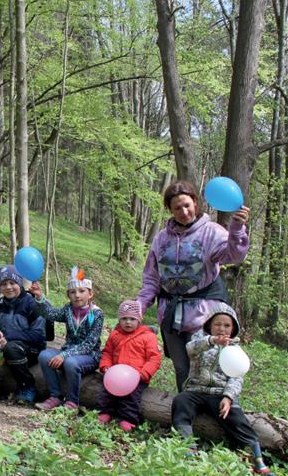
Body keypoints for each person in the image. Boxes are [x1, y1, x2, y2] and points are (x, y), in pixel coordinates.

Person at [136, 180, 250, 392]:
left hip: (203, 315)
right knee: (181, 367)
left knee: (204, 368)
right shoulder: (161, 239)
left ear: (196, 203)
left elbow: (232, 256)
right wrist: (140, 306)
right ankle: (185, 411)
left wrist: (236, 230)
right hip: (170, 314)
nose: (183, 211)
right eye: (177, 208)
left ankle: (209, 412)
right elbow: (152, 278)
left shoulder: (212, 233)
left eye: (187, 205)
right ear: (170, 210)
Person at [171, 303, 271, 474]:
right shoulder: (200, 340)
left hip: (219, 394)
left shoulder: (235, 350)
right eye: (217, 324)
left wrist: (229, 397)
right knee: (180, 402)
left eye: (227, 325)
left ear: (233, 329)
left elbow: (236, 377)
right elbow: (190, 350)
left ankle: (257, 458)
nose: (222, 329)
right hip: (195, 391)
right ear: (209, 324)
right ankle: (188, 446)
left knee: (237, 419)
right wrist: (212, 341)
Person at [31, 267, 104, 411]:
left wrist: (64, 355)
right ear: (68, 295)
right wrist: (40, 297)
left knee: (71, 362)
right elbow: (50, 314)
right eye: (73, 292)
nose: (77, 295)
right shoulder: (68, 310)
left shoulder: (96, 314)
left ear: (90, 294)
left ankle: (72, 402)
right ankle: (55, 396)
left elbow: (90, 344)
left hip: (89, 356)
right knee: (44, 356)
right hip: (69, 351)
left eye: (82, 291)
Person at [0, 265, 46, 405]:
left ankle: (27, 387)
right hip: (4, 344)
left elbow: (38, 335)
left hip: (30, 348)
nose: (8, 287)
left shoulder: (32, 304)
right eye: (4, 284)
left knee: (11, 348)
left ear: (19, 283)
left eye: (12, 283)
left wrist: (10, 336)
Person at [95, 300, 162, 431]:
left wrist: (143, 374)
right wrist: (106, 366)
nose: (128, 322)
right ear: (119, 320)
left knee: (132, 397)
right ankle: (104, 412)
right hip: (115, 376)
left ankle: (128, 419)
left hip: (137, 377)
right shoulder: (115, 335)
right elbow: (107, 352)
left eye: (132, 319)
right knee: (106, 393)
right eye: (124, 319)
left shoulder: (148, 336)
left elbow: (154, 358)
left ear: (139, 320)